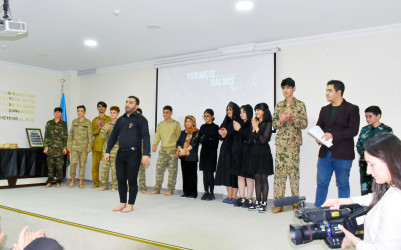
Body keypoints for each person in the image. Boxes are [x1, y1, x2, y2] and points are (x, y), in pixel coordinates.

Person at [323, 133, 401, 249]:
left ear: (389, 160)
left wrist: (354, 241)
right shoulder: (393, 191)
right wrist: (344, 201)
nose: (368, 171)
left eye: (372, 164)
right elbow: (377, 198)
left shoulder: (395, 201)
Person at [314, 80, 360, 207]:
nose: (326, 93)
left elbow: (353, 130)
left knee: (343, 184)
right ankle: (318, 211)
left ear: (338, 92)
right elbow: (319, 126)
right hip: (325, 154)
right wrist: (318, 136)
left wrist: (333, 136)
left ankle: (344, 212)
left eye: (330, 90)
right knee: (322, 183)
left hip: (343, 154)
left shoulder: (352, 109)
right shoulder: (324, 109)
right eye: (326, 90)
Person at [104, 96, 150, 213]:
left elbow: (146, 137)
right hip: (121, 153)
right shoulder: (121, 120)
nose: (127, 104)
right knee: (121, 179)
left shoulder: (141, 119)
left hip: (134, 153)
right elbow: (113, 136)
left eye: (131, 102)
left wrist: (146, 154)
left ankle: (130, 204)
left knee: (132, 180)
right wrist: (107, 151)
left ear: (136, 106)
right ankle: (122, 202)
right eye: (126, 102)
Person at [271, 78, 308, 213]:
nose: (286, 90)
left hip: (293, 144)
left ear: (293, 89)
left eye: (288, 87)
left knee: (293, 175)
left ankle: (295, 205)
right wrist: (281, 121)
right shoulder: (279, 105)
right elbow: (274, 124)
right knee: (279, 175)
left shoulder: (300, 105)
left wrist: (292, 119)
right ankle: (278, 204)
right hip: (281, 144)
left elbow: (304, 124)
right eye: (283, 88)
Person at [356, 106, 392, 195]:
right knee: (365, 191)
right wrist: (364, 155)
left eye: (370, 116)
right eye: (366, 116)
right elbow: (359, 145)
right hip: (365, 166)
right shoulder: (365, 129)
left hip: (380, 166)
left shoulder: (386, 130)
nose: (368, 119)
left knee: (382, 191)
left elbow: (389, 147)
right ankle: (367, 209)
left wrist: (375, 157)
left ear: (378, 116)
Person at [247, 103, 274, 213]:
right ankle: (257, 201)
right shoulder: (255, 123)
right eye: (256, 110)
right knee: (257, 177)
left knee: (263, 178)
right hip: (255, 152)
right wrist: (253, 129)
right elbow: (250, 140)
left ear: (265, 111)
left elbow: (263, 140)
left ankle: (264, 202)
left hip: (264, 153)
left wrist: (257, 127)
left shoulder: (268, 123)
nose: (256, 112)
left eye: (259, 110)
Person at [149, 105, 181, 196]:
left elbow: (179, 137)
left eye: (167, 112)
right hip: (163, 151)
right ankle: (157, 189)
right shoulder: (160, 124)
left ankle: (171, 189)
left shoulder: (176, 124)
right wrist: (155, 144)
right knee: (159, 171)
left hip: (173, 150)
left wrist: (178, 150)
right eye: (163, 112)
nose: (165, 114)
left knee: (172, 172)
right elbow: (158, 135)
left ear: (171, 113)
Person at [215, 102, 241, 204]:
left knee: (234, 174)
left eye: (230, 110)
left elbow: (237, 133)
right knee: (226, 173)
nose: (228, 112)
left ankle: (234, 196)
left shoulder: (238, 121)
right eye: (227, 110)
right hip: (225, 150)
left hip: (234, 150)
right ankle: (229, 196)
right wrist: (222, 134)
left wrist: (227, 133)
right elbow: (220, 135)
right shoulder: (225, 121)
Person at [233, 104, 255, 208]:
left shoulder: (252, 123)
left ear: (249, 112)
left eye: (244, 112)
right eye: (241, 112)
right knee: (240, 176)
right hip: (239, 152)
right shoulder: (239, 124)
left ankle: (249, 199)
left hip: (249, 152)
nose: (241, 114)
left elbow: (249, 137)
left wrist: (239, 129)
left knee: (249, 177)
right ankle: (242, 197)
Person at [67, 105, 93, 189]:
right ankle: (72, 180)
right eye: (78, 111)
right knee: (73, 164)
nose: (80, 112)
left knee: (82, 165)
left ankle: (81, 182)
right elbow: (71, 134)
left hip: (84, 148)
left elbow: (90, 135)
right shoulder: (74, 121)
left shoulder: (88, 122)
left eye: (81, 111)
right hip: (74, 147)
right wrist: (69, 146)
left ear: (84, 112)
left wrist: (89, 147)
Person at [43, 107, 68, 188]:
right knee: (50, 166)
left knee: (59, 167)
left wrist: (65, 147)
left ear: (61, 114)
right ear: (53, 113)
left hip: (59, 149)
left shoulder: (63, 124)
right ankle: (49, 182)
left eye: (59, 112)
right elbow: (46, 135)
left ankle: (58, 182)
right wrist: (46, 146)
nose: (57, 114)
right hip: (50, 148)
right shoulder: (49, 123)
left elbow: (65, 136)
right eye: (55, 112)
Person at [176, 115, 200, 199]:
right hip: (183, 157)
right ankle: (186, 192)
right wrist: (180, 149)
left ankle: (193, 193)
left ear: (193, 122)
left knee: (192, 176)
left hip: (192, 157)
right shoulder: (183, 132)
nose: (188, 123)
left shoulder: (196, 132)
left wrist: (184, 150)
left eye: (190, 121)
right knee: (185, 175)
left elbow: (194, 143)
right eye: (186, 121)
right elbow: (178, 143)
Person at [198, 109, 219, 201]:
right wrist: (206, 139)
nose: (206, 118)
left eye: (207, 116)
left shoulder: (215, 127)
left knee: (210, 173)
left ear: (212, 116)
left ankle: (212, 193)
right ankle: (206, 192)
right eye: (204, 116)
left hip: (212, 152)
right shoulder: (202, 127)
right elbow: (200, 139)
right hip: (204, 152)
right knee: (204, 173)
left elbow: (215, 141)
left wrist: (207, 139)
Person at [98, 106, 120, 192]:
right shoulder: (106, 124)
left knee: (115, 169)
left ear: (117, 114)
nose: (112, 114)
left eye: (114, 113)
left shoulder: (120, 124)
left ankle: (115, 186)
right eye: (111, 112)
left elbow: (121, 138)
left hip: (116, 149)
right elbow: (102, 136)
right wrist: (106, 131)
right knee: (104, 168)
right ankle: (104, 185)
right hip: (106, 150)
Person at [91, 101, 112, 188]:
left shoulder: (109, 119)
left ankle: (104, 184)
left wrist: (104, 127)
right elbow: (92, 133)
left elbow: (111, 132)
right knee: (95, 166)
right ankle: (96, 183)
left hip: (106, 146)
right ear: (97, 108)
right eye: (99, 106)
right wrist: (99, 128)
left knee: (105, 167)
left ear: (105, 108)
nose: (101, 108)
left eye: (103, 107)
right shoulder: (94, 120)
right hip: (96, 145)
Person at [136, 108, 148, 194]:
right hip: (132, 151)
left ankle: (143, 187)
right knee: (131, 171)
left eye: (139, 114)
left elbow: (146, 140)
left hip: (141, 151)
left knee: (141, 171)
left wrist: (146, 154)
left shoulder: (143, 124)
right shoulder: (130, 125)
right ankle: (130, 187)